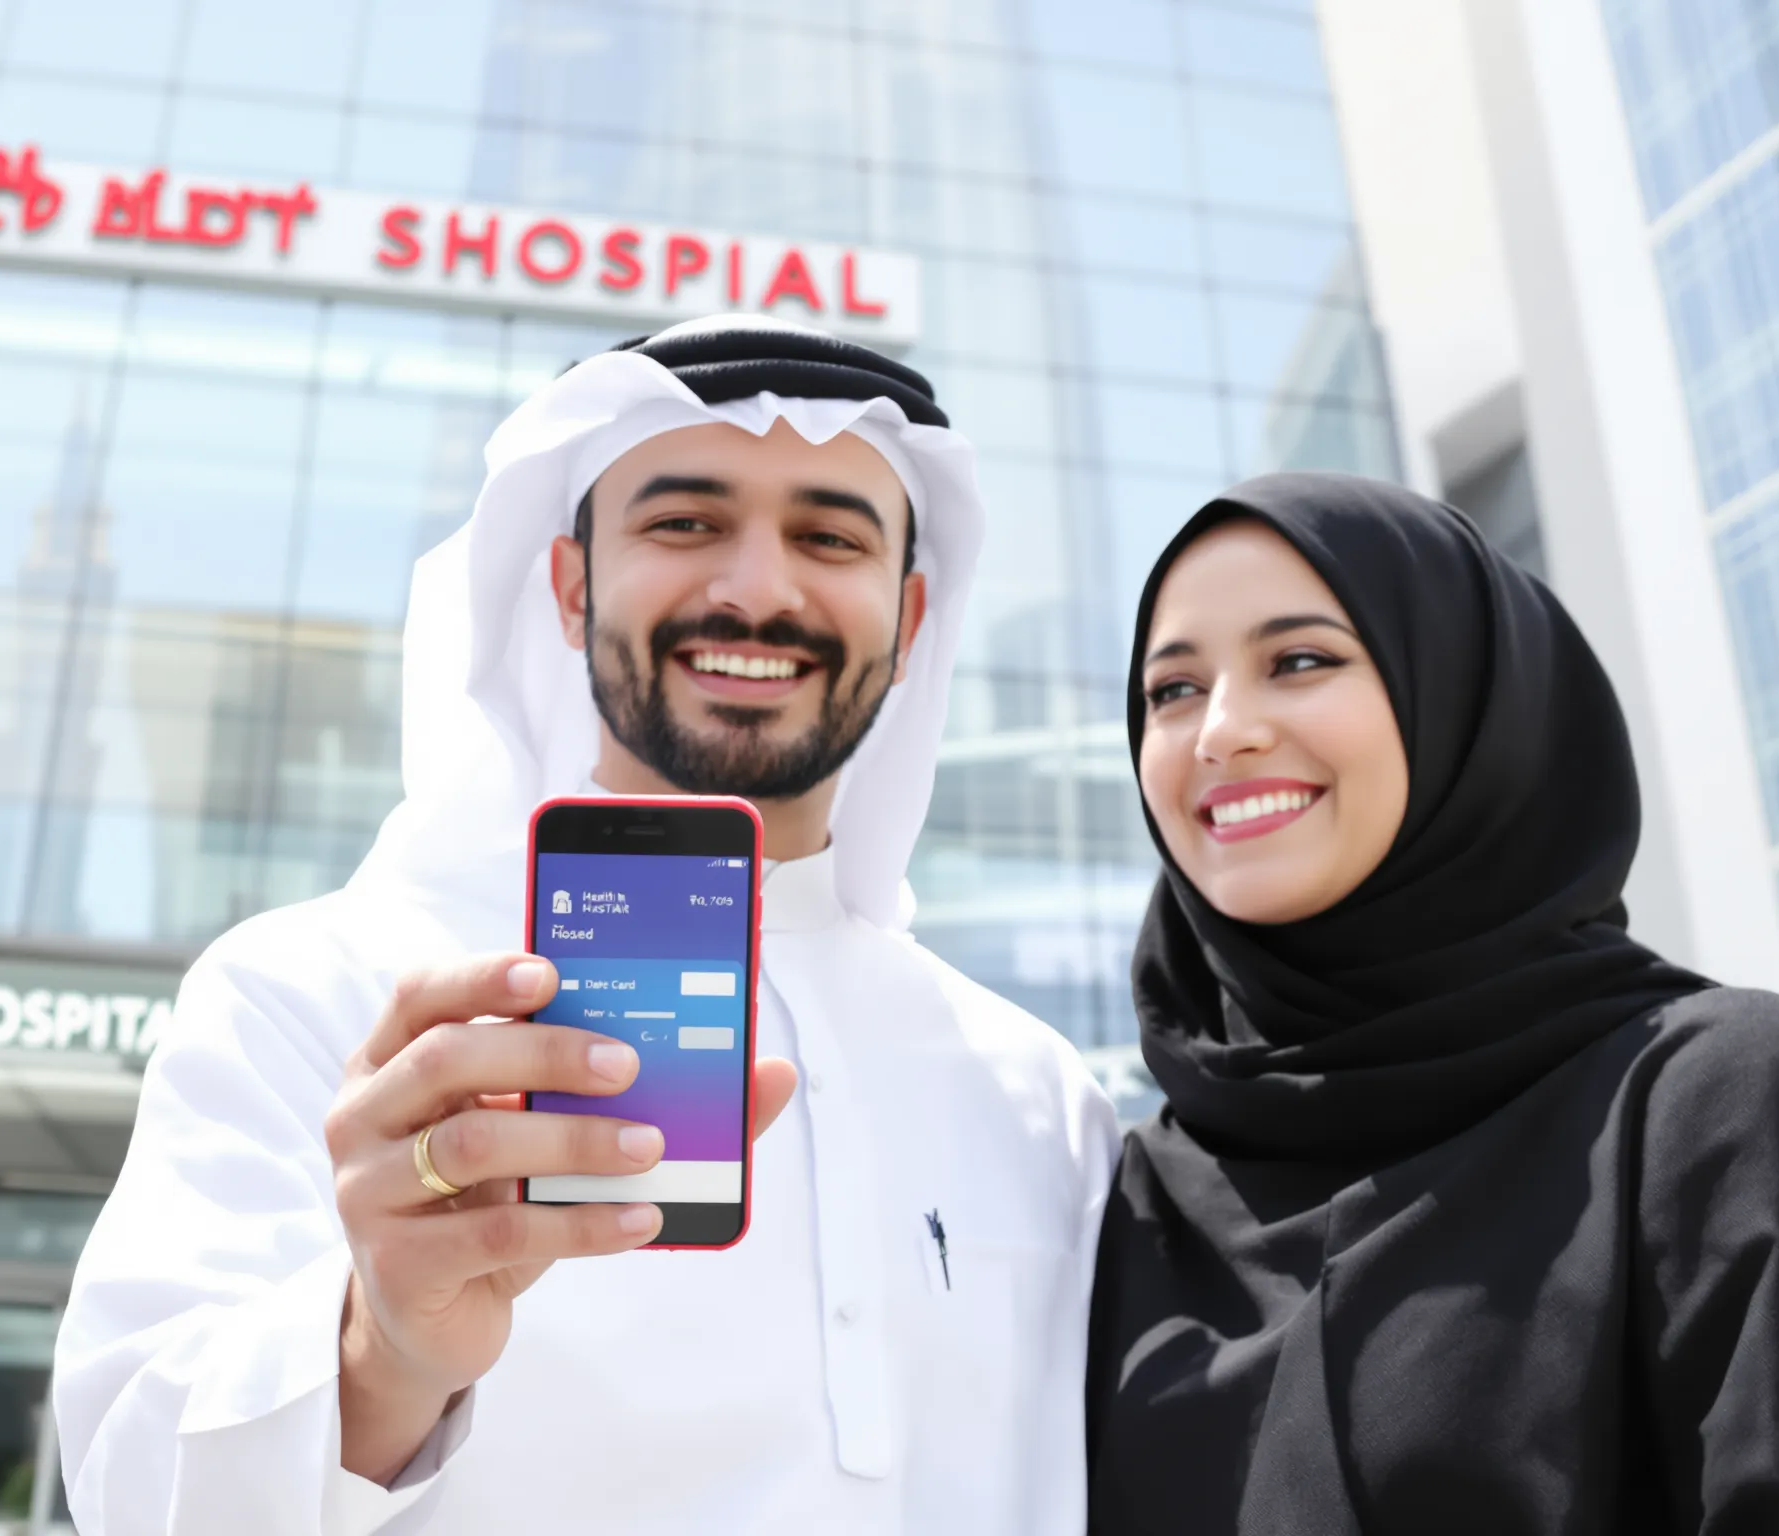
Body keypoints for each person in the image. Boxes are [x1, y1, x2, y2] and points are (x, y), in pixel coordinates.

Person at [57, 316, 1114, 1535]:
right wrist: (379, 1351)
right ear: (569, 588)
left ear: (909, 617)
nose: (758, 588)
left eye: (827, 537)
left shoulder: (1040, 1094)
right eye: (685, 523)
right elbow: (138, 1494)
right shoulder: (321, 993)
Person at [1086, 471, 1779, 1533]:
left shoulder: (1722, 1106)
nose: (1219, 731)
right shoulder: (1123, 1206)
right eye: (1170, 691)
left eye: (1299, 661)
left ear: (1461, 699)